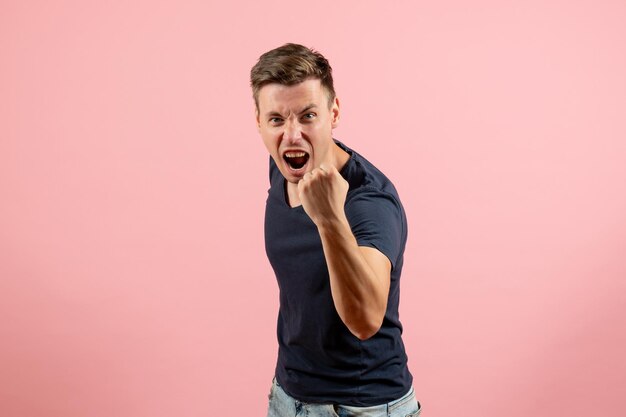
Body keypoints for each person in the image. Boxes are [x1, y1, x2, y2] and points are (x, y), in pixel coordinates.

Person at [251, 43, 421, 417]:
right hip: (288, 396)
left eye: (307, 116)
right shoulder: (281, 166)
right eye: (277, 119)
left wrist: (329, 218)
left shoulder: (369, 203)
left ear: (334, 113)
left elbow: (365, 321)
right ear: (259, 122)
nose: (292, 135)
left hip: (361, 407)